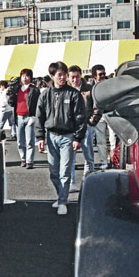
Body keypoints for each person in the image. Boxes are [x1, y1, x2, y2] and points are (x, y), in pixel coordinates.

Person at [36, 61, 86, 215]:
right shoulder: (45, 95)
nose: (63, 77)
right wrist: (40, 137)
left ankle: (63, 201)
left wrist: (78, 138)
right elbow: (40, 116)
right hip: (51, 136)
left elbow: (80, 117)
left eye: (64, 74)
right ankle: (61, 196)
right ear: (52, 76)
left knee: (65, 172)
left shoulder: (73, 94)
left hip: (68, 137)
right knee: (53, 172)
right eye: (59, 74)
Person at [68, 65, 101, 191]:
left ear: (80, 75)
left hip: (86, 126)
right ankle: (71, 182)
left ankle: (88, 180)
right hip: (71, 128)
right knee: (70, 156)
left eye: (77, 77)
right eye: (72, 77)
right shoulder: (67, 89)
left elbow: (98, 106)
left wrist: (92, 121)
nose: (75, 80)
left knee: (89, 156)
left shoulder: (89, 89)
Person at [7, 69, 40, 169]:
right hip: (19, 117)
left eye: (27, 76)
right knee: (20, 141)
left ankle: (29, 160)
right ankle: (23, 158)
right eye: (23, 76)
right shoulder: (17, 89)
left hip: (29, 116)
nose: (25, 78)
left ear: (30, 78)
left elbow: (38, 104)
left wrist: (34, 116)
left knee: (29, 140)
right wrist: (11, 95)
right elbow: (11, 103)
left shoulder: (34, 90)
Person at [91, 64, 115, 169]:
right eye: (100, 74)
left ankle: (114, 161)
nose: (103, 76)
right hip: (98, 116)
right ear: (94, 76)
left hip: (110, 114)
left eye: (104, 73)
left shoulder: (110, 85)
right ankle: (104, 162)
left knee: (113, 139)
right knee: (100, 141)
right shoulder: (91, 88)